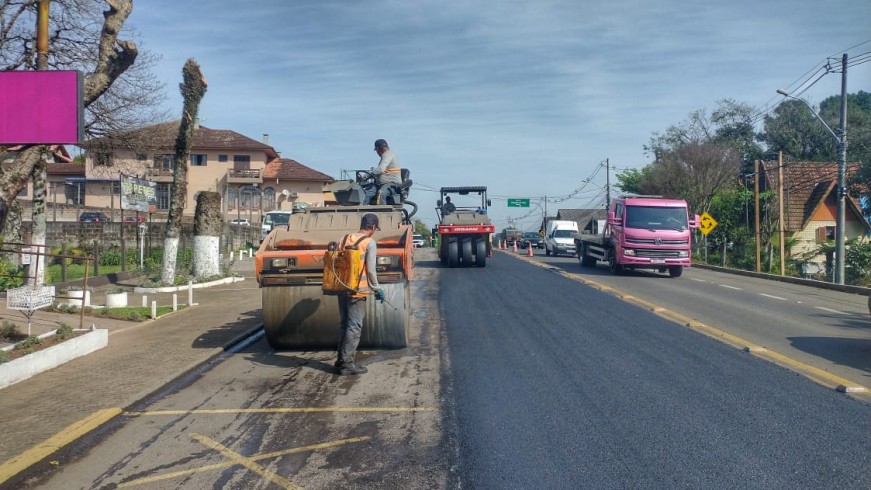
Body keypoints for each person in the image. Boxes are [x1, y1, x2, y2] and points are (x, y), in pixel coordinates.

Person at [335, 213, 385, 375]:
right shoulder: (369, 243)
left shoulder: (344, 238)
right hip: (357, 291)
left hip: (341, 288)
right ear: (371, 227)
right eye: (374, 229)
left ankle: (340, 360)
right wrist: (377, 289)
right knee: (354, 326)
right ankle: (347, 363)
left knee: (344, 324)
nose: (374, 232)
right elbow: (371, 271)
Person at [370, 139, 402, 204]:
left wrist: (371, 172)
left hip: (391, 184)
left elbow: (380, 169)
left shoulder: (388, 154)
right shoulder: (386, 155)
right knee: (367, 192)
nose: (377, 152)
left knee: (381, 193)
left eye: (376, 150)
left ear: (379, 148)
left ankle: (382, 211)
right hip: (380, 184)